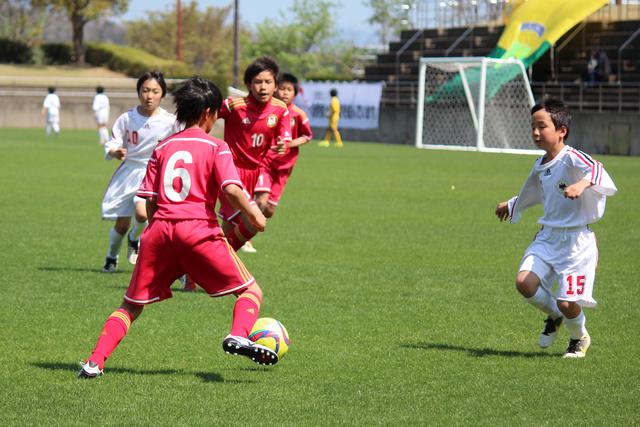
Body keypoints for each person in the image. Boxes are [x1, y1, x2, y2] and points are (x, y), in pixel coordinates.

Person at [78, 77, 276, 379]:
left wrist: (159, 228)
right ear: (209, 113)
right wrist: (254, 215)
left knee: (130, 306)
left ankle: (94, 362)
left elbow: (146, 205)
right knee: (251, 290)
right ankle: (238, 334)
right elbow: (232, 188)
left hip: (159, 234)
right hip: (199, 230)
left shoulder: (163, 147)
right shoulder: (216, 146)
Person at [495, 99, 617, 358]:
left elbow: (597, 168)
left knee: (567, 301)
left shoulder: (572, 157)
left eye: (542, 126)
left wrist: (581, 186)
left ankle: (579, 337)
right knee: (524, 283)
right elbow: (535, 194)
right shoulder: (540, 165)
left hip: (576, 243)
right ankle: (554, 316)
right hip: (548, 237)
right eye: (533, 126)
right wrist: (511, 203)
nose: (536, 132)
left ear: (562, 130)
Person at [101, 71, 179, 273]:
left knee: (142, 213)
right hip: (129, 172)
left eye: (155, 91)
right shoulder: (127, 118)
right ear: (138, 92)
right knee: (121, 224)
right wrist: (115, 151)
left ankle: (135, 239)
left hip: (153, 173)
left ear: (162, 94)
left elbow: (180, 144)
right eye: (145, 90)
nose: (149, 96)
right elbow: (113, 141)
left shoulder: (171, 122)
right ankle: (111, 257)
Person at [216, 56, 292, 251]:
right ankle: (223, 263)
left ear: (275, 85)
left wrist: (283, 143)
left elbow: (284, 136)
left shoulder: (280, 109)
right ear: (249, 84)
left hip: (256, 172)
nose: (263, 87)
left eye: (268, 82)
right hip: (230, 171)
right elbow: (205, 118)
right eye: (258, 82)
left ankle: (203, 267)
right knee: (254, 220)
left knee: (229, 229)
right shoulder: (234, 105)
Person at [254, 72, 312, 222]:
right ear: (275, 89)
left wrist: (291, 143)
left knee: (269, 210)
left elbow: (308, 136)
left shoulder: (299, 114)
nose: (285, 92)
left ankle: (245, 227)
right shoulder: (268, 110)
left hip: (285, 167)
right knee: (261, 200)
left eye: (289, 89)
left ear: (295, 93)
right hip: (265, 162)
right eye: (282, 88)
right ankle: (245, 237)